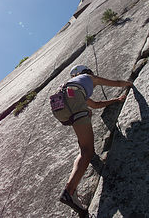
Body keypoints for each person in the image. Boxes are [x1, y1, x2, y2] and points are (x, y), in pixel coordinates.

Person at [50, 65, 132, 215]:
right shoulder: (90, 78)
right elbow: (116, 82)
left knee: (85, 138)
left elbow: (95, 105)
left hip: (59, 105)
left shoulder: (71, 84)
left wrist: (116, 100)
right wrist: (128, 83)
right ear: (87, 72)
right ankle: (70, 190)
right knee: (88, 151)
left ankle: (84, 149)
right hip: (74, 100)